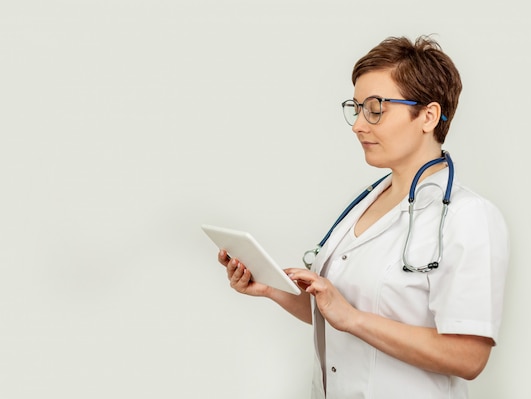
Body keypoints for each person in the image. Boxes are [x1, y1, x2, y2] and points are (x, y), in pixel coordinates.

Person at [217, 35, 509, 399]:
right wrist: (271, 287)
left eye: (376, 108)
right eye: (356, 108)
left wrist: (353, 319)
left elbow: (469, 356)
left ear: (428, 116)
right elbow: (337, 315)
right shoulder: (367, 202)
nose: (358, 124)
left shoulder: (469, 217)